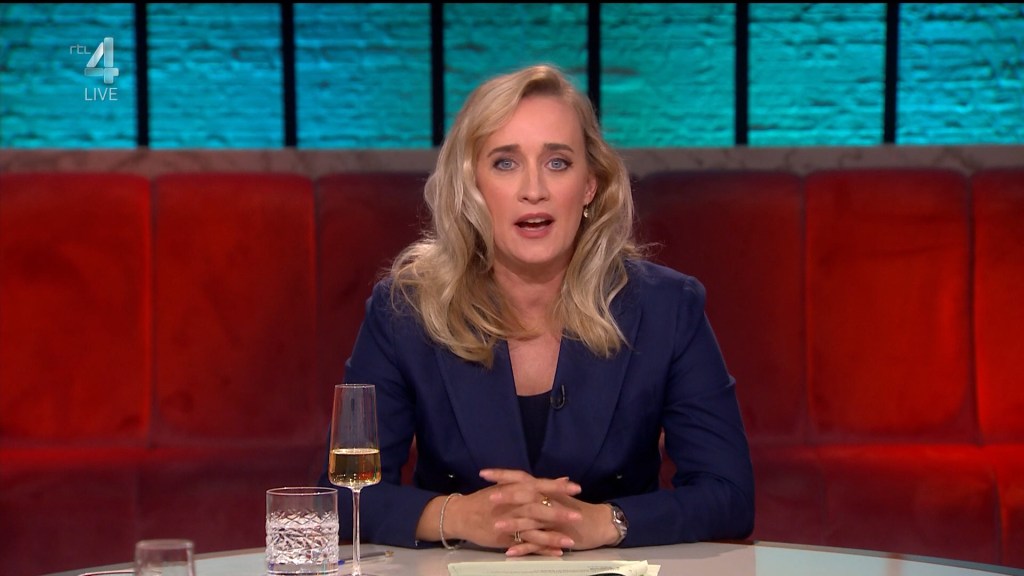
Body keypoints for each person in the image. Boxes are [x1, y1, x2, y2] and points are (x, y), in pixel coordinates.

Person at [320, 63, 754, 557]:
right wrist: (458, 516)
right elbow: (340, 496)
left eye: (558, 163)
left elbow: (729, 495)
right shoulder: (405, 311)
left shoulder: (666, 308)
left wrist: (604, 522)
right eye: (505, 163)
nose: (534, 189)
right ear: (471, 185)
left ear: (590, 185)